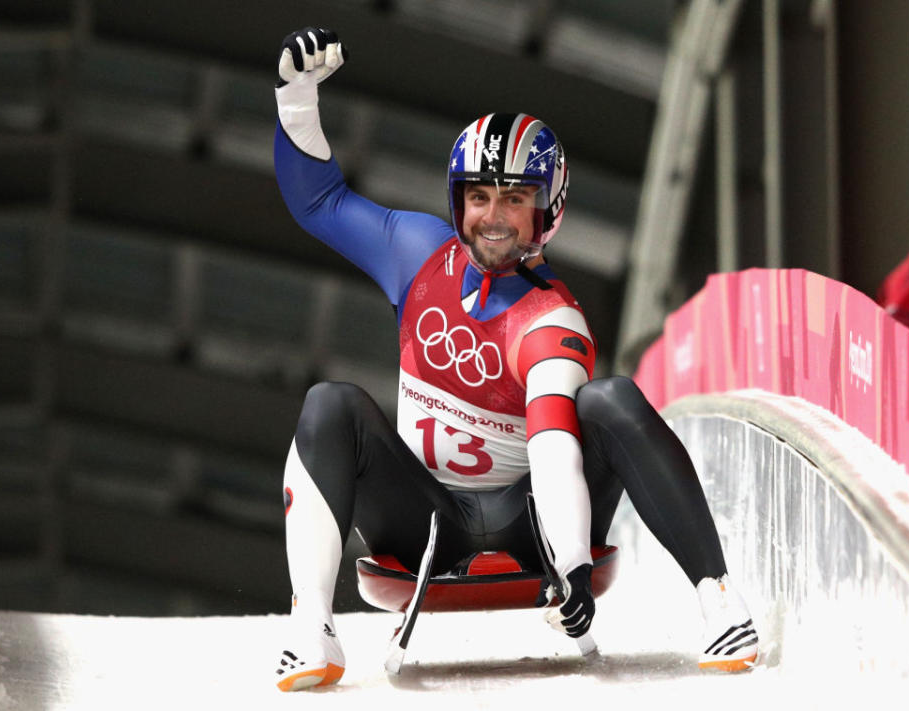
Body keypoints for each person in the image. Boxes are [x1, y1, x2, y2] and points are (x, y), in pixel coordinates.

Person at [271, 27, 759, 691]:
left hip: (531, 524)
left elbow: (557, 445)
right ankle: (311, 627)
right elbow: (320, 202)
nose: (493, 218)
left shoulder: (551, 316)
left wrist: (573, 569)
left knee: (609, 397)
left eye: (513, 199)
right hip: (424, 519)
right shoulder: (414, 252)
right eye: (479, 197)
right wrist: (297, 98)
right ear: (457, 201)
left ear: (545, 210)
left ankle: (719, 598)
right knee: (329, 403)